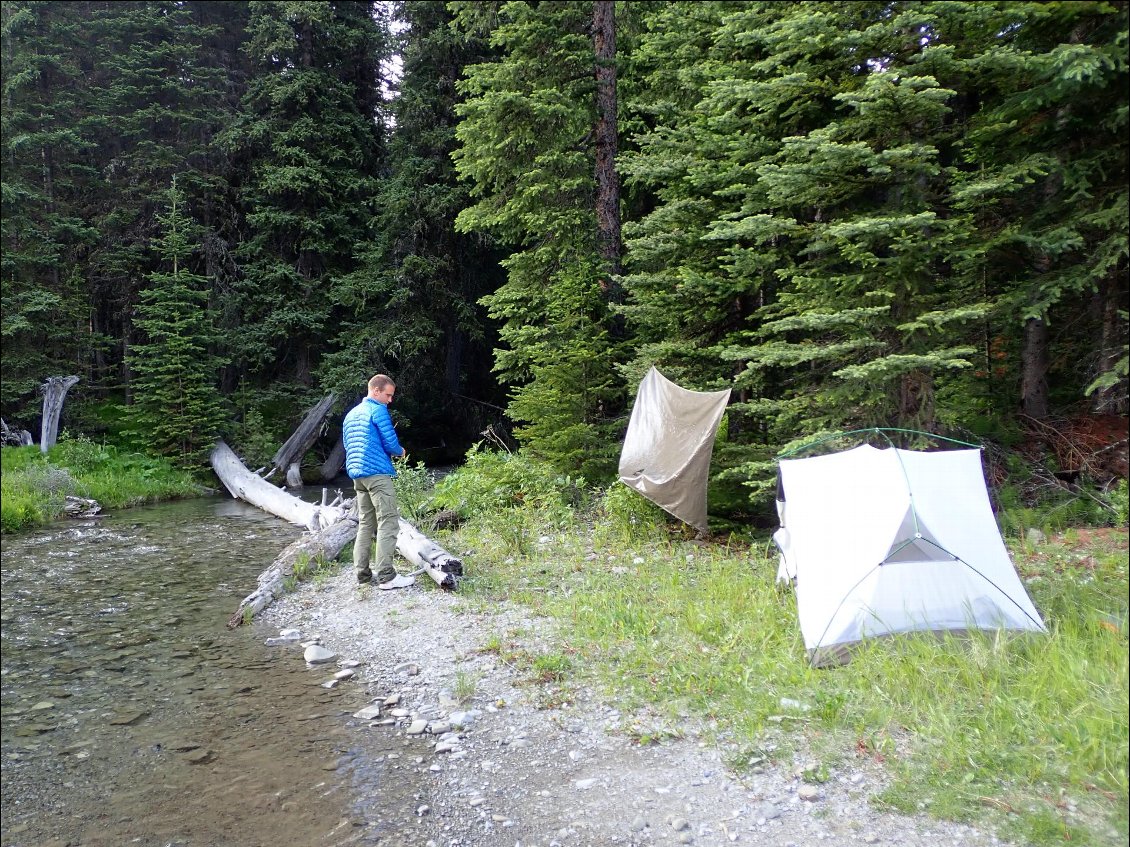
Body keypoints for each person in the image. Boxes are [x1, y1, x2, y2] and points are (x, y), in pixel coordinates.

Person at [342, 374, 415, 590]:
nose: (390, 400)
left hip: (357, 474)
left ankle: (362, 575)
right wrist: (400, 451)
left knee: (366, 523)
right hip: (377, 474)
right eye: (388, 395)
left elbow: (348, 444)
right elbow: (390, 441)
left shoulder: (351, 414)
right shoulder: (377, 410)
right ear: (375, 391)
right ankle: (386, 577)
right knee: (389, 521)